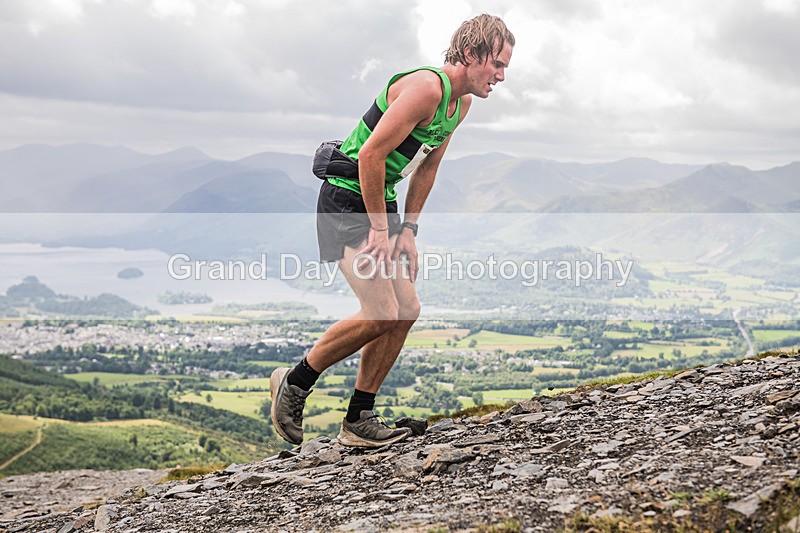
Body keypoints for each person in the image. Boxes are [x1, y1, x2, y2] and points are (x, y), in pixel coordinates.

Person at [271, 14, 514, 448]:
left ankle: (359, 419)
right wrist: (381, 230)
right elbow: (369, 156)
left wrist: (408, 231)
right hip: (346, 198)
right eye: (497, 64)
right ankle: (295, 381)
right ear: (472, 54)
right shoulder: (426, 88)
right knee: (381, 309)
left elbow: (427, 168)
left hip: (378, 199)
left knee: (406, 308)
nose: (500, 76)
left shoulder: (459, 104)